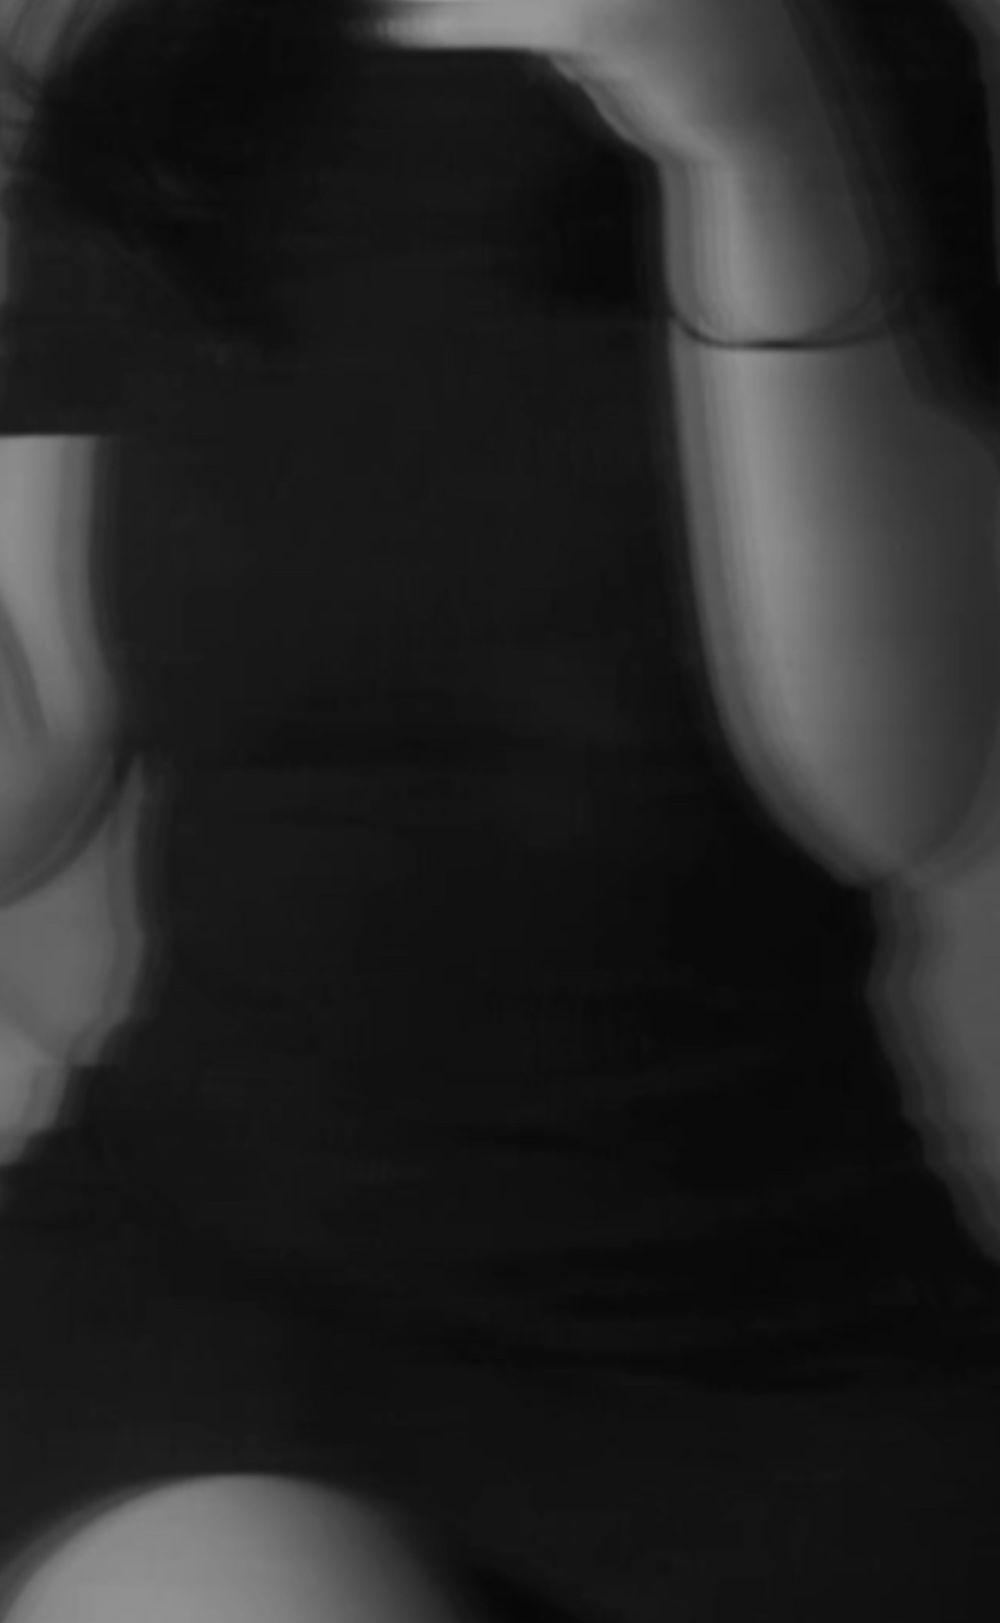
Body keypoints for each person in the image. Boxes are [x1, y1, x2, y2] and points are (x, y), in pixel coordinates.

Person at [0, 0, 1000, 1618]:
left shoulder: (858, 62)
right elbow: (31, 758)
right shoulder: (152, 91)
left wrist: (755, 141)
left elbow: (893, 798)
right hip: (211, 1289)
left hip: (773, 1335)